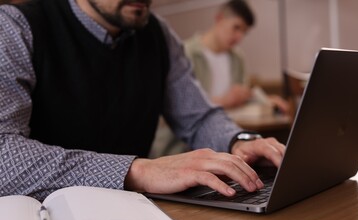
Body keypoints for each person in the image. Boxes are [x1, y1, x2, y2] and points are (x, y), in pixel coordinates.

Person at [0, 0, 285, 201]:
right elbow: (4, 154)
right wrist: (139, 170)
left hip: (137, 212)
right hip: (46, 219)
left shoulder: (159, 34)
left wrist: (239, 141)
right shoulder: (16, 26)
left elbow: (198, 116)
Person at [185, 0, 289, 112]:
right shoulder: (186, 53)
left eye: (244, 32)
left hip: (233, 125)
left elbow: (243, 98)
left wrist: (266, 101)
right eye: (236, 27)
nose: (239, 38)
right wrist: (223, 101)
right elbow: (183, 105)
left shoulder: (237, 58)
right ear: (219, 19)